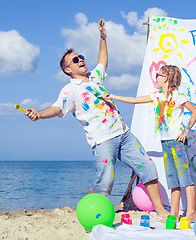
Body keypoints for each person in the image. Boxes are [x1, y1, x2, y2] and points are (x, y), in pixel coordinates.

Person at [25, 19, 170, 218]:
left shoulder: (94, 77)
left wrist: (103, 38)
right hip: (103, 140)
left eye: (81, 57)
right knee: (105, 181)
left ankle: (161, 210)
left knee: (148, 166)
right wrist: (39, 114)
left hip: (124, 133)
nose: (81, 60)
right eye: (75, 60)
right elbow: (57, 108)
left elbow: (103, 61)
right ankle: (86, 211)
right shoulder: (69, 90)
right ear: (68, 70)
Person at [103, 65, 196, 222]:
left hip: (177, 143)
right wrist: (113, 96)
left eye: (158, 75)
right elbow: (135, 100)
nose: (155, 78)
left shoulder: (178, 96)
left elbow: (195, 112)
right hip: (165, 143)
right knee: (173, 180)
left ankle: (191, 212)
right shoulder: (157, 96)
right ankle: (174, 215)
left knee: (185, 178)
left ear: (165, 78)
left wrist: (185, 131)